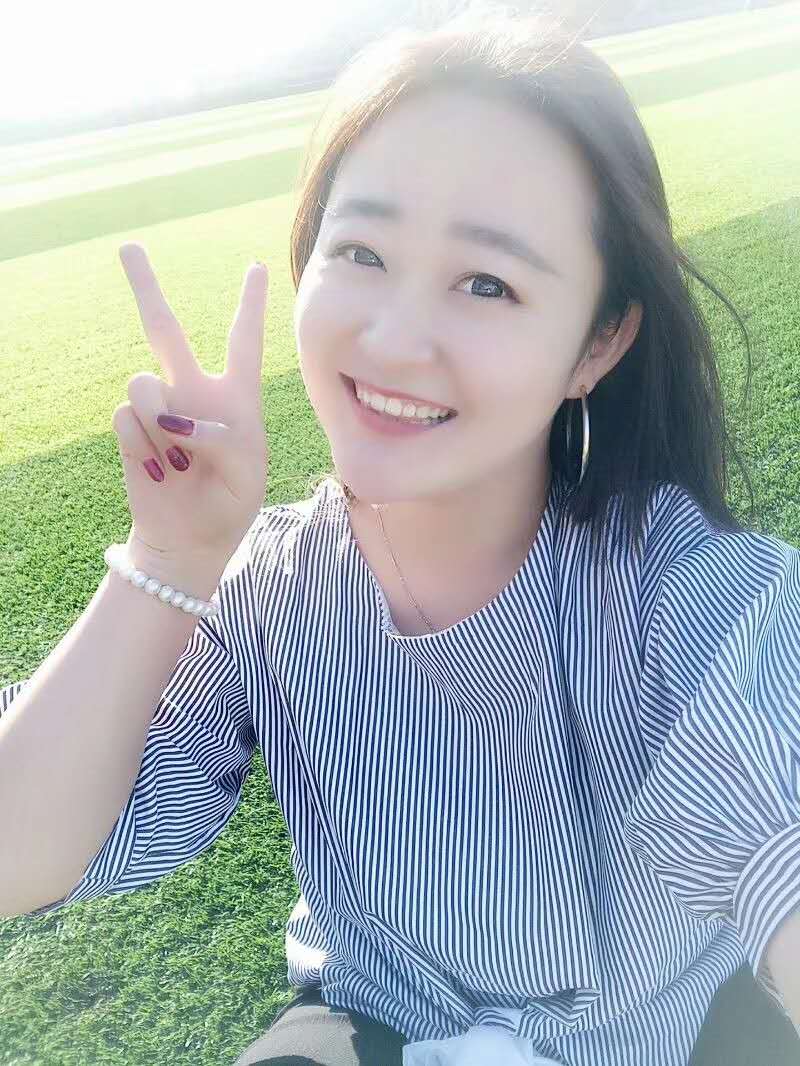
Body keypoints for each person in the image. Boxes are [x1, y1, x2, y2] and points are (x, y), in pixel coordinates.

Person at [1, 5, 798, 1065]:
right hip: (375, 1019)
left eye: (487, 282)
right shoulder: (264, 588)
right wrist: (168, 561)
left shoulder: (682, 587)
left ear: (597, 341)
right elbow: (20, 851)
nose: (391, 339)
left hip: (670, 1031)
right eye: (362, 251)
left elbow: (772, 817)